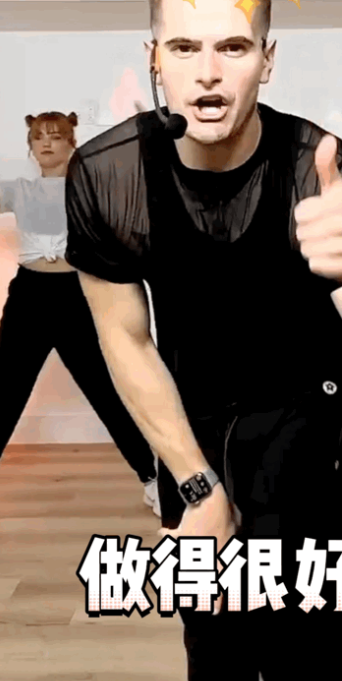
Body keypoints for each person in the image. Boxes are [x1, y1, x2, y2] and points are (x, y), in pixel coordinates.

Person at [64, 0, 342, 678]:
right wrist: (198, 485)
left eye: (233, 47)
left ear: (267, 60)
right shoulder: (108, 173)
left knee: (303, 633)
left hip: (311, 412)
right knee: (211, 635)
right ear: (154, 57)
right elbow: (126, 342)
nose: (208, 72)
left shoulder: (323, 174)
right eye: (184, 48)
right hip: (193, 415)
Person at [0, 111, 160, 516]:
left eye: (55, 136)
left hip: (77, 295)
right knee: (6, 389)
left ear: (72, 142)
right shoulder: (18, 189)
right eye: (38, 137)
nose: (46, 143)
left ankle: (152, 477)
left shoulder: (91, 187)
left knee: (105, 389)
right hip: (29, 297)